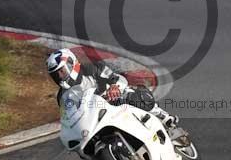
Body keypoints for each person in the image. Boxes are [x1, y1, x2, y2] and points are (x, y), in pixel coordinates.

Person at [46, 48, 178, 130]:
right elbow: (68, 118)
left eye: (61, 71)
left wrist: (115, 87)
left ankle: (162, 116)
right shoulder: (62, 96)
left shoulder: (92, 69)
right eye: (55, 74)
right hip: (94, 119)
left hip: (114, 101)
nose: (59, 76)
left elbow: (117, 78)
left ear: (71, 63)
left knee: (133, 95)